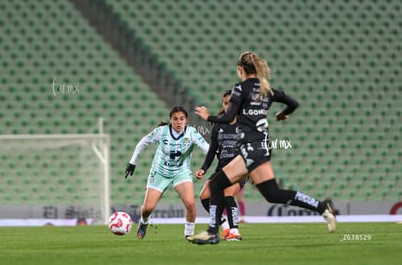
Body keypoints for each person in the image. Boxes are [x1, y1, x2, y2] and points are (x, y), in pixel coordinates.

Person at [190, 51, 337, 244]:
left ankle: (212, 231)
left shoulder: (240, 89)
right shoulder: (266, 89)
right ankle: (321, 206)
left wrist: (208, 117)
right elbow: (293, 103)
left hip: (251, 148)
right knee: (271, 193)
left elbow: (227, 117)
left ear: (240, 70)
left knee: (218, 185)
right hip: (260, 147)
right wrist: (283, 114)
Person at [124, 106, 209, 240]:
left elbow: (208, 150)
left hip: (181, 172)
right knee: (147, 209)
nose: (179, 122)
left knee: (191, 204)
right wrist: (132, 162)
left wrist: (219, 165)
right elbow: (143, 142)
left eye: (182, 119)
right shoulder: (161, 131)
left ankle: (189, 235)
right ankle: (144, 222)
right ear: (170, 120)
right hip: (160, 172)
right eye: (175, 119)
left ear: (186, 120)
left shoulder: (192, 133)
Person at [195, 90, 248, 241]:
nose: (228, 106)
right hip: (222, 168)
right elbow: (212, 150)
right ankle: (224, 225)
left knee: (228, 193)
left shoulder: (245, 123)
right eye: (226, 103)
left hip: (240, 168)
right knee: (204, 196)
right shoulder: (218, 125)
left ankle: (235, 232)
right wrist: (203, 168)